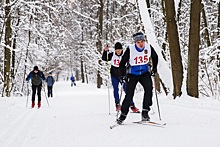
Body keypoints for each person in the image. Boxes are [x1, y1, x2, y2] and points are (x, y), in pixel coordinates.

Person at [117, 32, 158, 124]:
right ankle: (123, 115)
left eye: (142, 41)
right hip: (133, 74)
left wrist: (154, 69)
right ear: (135, 42)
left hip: (144, 73)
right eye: (138, 42)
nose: (141, 44)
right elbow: (122, 63)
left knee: (149, 89)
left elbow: (155, 57)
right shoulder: (130, 49)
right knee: (129, 94)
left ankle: (145, 112)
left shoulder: (148, 47)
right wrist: (123, 75)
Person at [102, 42, 139, 112]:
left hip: (123, 74)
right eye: (117, 50)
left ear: (122, 49)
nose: (118, 51)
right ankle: (117, 104)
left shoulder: (125, 55)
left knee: (127, 90)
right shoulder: (112, 55)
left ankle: (132, 105)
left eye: (119, 50)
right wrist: (105, 51)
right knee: (115, 89)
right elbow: (104, 58)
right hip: (114, 74)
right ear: (115, 50)